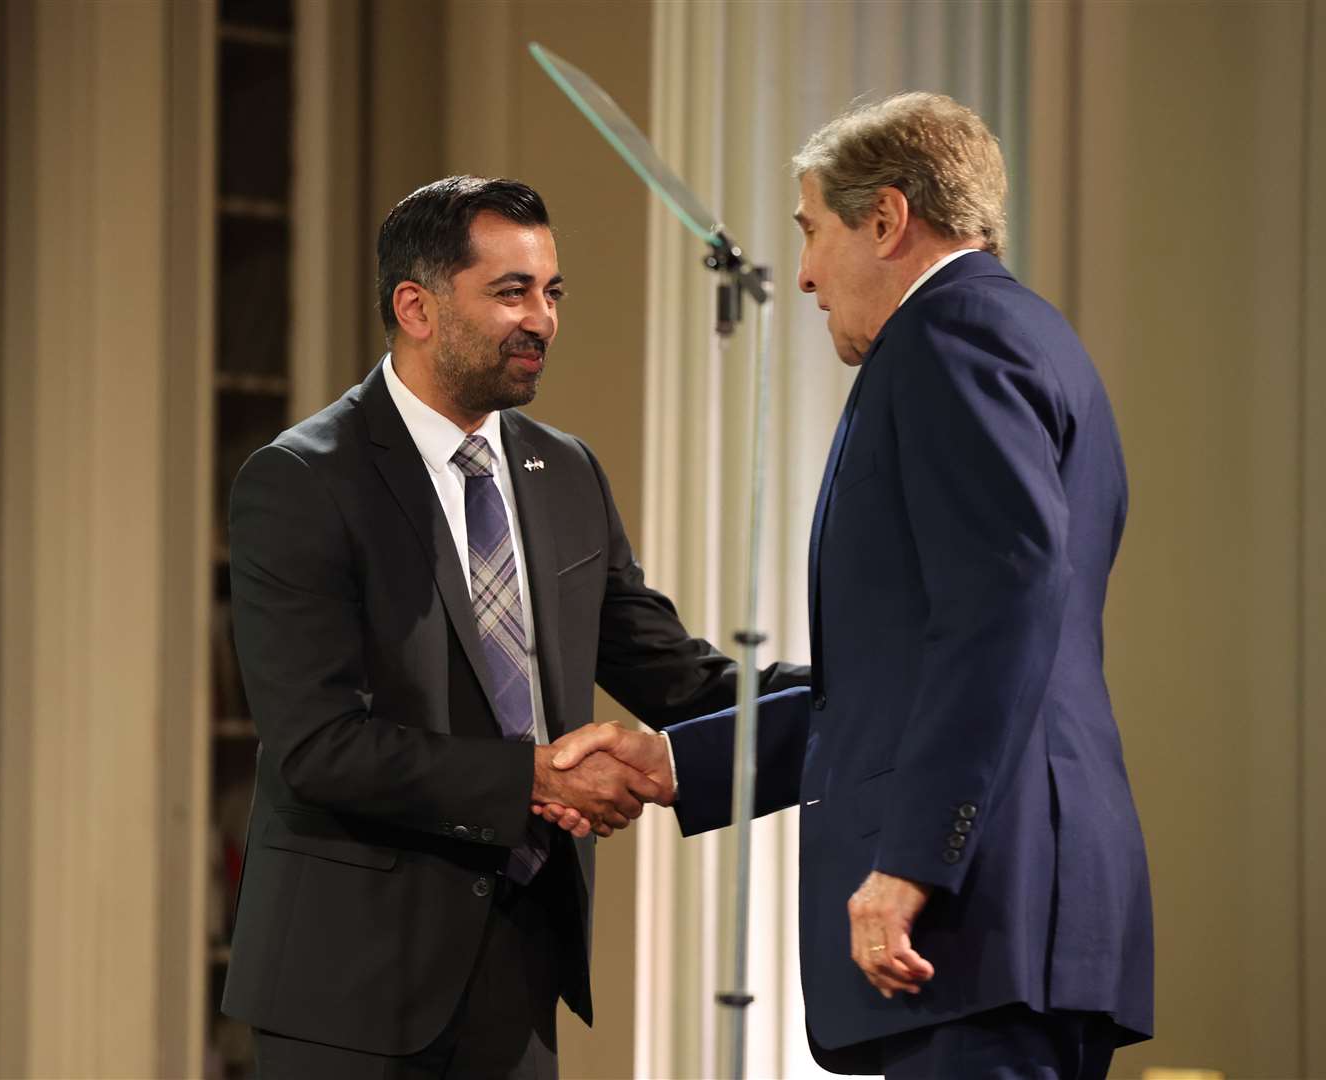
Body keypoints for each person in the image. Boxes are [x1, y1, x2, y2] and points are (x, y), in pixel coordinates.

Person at [542, 93, 1154, 1078]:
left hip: (976, 911)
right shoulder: (1027, 336)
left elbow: (1005, 608)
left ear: (887, 220)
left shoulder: (951, 340)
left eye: (813, 231)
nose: (811, 273)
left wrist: (914, 859)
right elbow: (911, 676)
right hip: (1010, 917)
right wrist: (675, 763)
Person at [220, 175, 806, 1078]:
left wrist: (852, 692)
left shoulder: (566, 473)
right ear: (415, 306)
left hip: (522, 966)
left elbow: (679, 679)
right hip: (348, 984)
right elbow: (318, 747)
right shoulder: (303, 479)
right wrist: (533, 779)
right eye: (511, 291)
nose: (543, 318)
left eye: (551, 292)